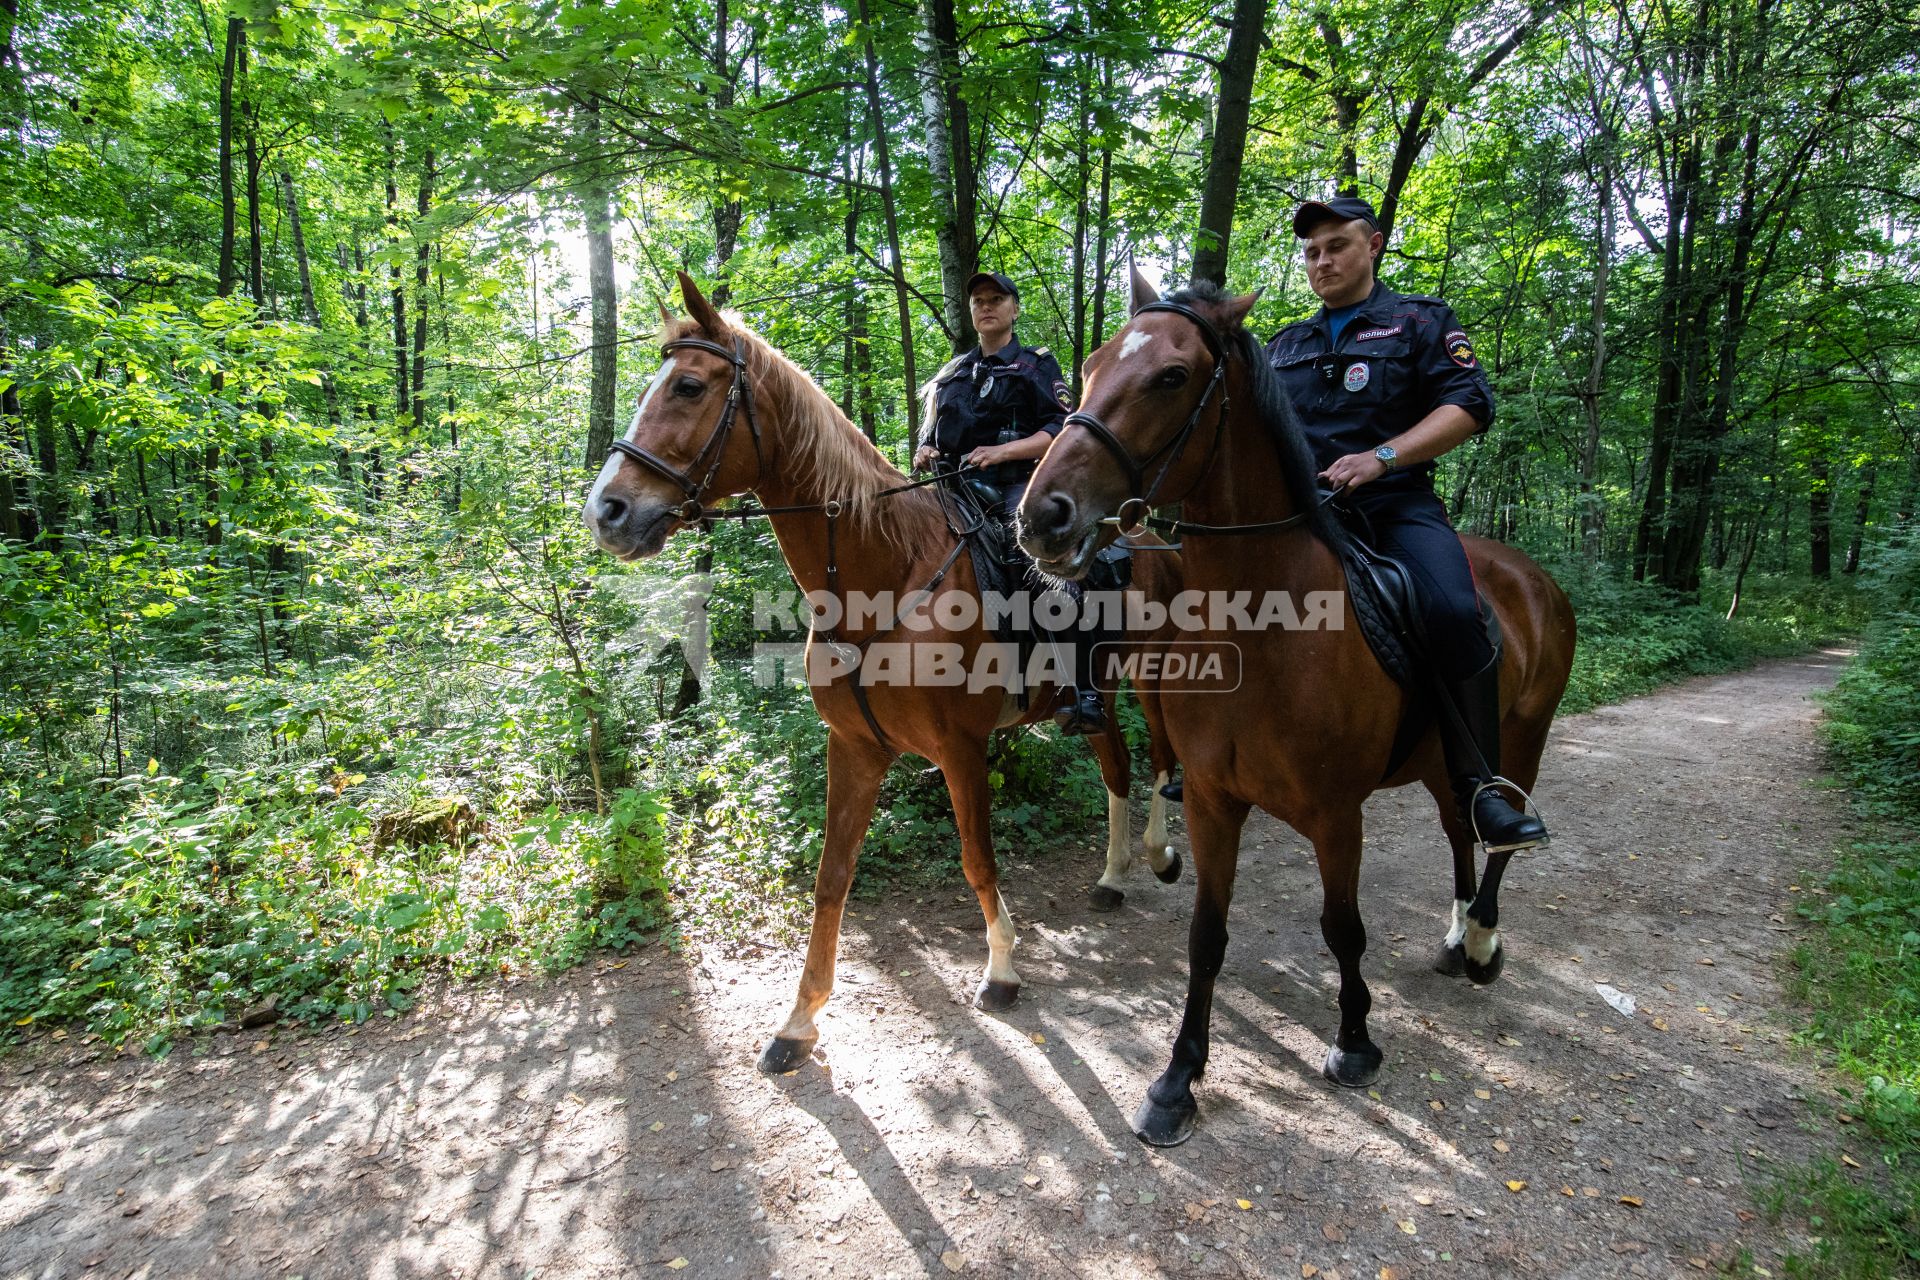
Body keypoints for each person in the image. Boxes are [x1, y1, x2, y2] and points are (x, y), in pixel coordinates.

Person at [1266, 195, 1548, 851]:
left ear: (1375, 245)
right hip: (1302, 520)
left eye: (1336, 245)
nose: (1322, 260)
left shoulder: (1420, 321)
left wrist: (1382, 457)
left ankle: (1479, 788)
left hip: (1394, 507)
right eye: (1311, 252)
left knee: (1455, 610)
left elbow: (1469, 405)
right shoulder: (1283, 345)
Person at [913, 270, 1108, 735]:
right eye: (979, 299)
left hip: (1016, 485)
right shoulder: (952, 373)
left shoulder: (1037, 366)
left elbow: (1062, 430)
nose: (986, 306)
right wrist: (923, 450)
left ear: (1014, 308)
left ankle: (1082, 690)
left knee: (1037, 557)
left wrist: (1002, 451)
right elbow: (928, 435)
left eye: (996, 298)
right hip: (951, 488)